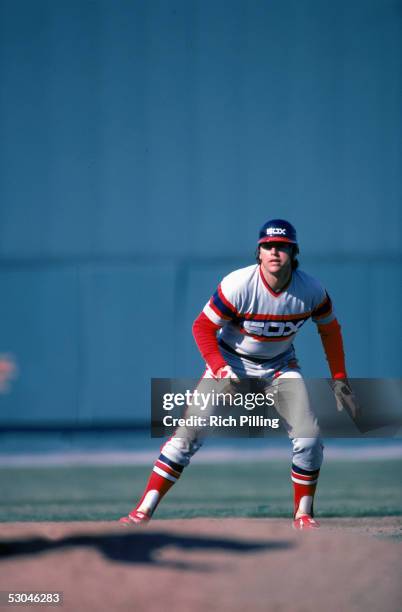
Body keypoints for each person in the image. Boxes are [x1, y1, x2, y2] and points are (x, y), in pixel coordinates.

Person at [120, 219, 358, 530]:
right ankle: (143, 511)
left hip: (280, 367)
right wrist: (220, 367)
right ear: (259, 252)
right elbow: (202, 327)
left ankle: (303, 515)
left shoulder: (310, 290)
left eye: (282, 247)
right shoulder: (239, 284)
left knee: (309, 437)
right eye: (268, 247)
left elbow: (330, 330)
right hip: (231, 364)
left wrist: (339, 378)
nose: (275, 252)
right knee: (186, 436)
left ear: (294, 252)